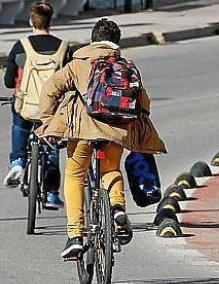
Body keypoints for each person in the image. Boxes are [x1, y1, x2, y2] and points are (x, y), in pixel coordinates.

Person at [36, 18, 167, 258]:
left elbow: (50, 89)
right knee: (111, 169)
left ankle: (75, 235)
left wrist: (45, 120)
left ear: (93, 40)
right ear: (116, 42)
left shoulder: (78, 63)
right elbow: (143, 102)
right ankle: (117, 208)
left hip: (83, 131)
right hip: (117, 130)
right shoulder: (126, 64)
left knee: (75, 175)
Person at [2, 2, 70, 209]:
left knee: (20, 124)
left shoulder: (20, 46)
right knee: (51, 146)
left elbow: (8, 81)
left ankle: (18, 161)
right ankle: (50, 194)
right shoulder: (63, 47)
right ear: (50, 22)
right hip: (53, 108)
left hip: (27, 105)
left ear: (31, 21)